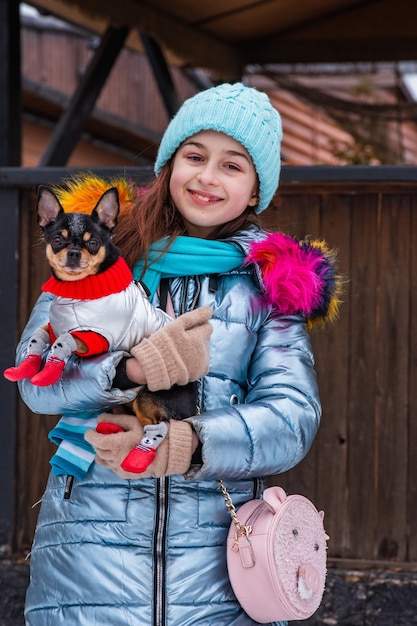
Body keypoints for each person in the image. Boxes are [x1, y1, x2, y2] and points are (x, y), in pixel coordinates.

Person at [19, 82, 341, 626]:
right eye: (194, 156)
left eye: (233, 165)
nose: (208, 177)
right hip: (88, 558)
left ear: (257, 188)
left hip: (221, 569)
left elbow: (293, 416)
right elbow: (35, 384)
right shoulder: (95, 254)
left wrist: (190, 443)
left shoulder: (267, 288)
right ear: (169, 165)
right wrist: (125, 371)